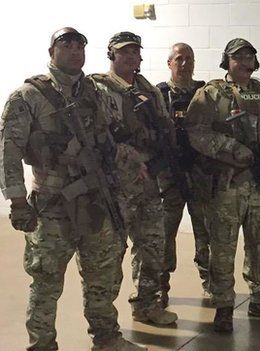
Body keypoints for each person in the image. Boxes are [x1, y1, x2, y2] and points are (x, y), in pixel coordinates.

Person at [0, 27, 145, 351]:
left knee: (103, 276)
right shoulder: (28, 96)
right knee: (46, 282)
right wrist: (17, 201)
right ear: (52, 51)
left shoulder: (94, 92)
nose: (75, 51)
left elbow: (108, 141)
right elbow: (9, 151)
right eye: (67, 45)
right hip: (52, 207)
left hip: (95, 201)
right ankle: (42, 344)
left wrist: (130, 163)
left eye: (80, 45)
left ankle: (106, 337)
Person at [185, 38, 260, 333]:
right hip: (226, 186)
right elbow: (195, 132)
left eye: (249, 57)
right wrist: (231, 148)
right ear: (226, 62)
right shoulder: (210, 94)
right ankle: (223, 305)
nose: (245, 62)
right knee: (223, 248)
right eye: (238, 57)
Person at [89, 31, 178, 326]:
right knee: (110, 254)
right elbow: (97, 137)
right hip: (116, 186)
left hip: (149, 182)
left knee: (152, 245)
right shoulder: (97, 88)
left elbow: (165, 129)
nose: (130, 56)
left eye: (135, 52)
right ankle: (104, 326)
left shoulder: (148, 90)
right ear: (111, 54)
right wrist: (130, 157)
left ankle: (146, 306)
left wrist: (160, 163)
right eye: (123, 51)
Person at [156, 43, 211, 307]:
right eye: (179, 58)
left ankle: (210, 282)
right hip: (170, 178)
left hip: (200, 174)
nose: (185, 63)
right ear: (170, 63)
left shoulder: (206, 92)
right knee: (165, 234)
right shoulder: (158, 94)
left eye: (189, 58)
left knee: (206, 232)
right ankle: (161, 285)